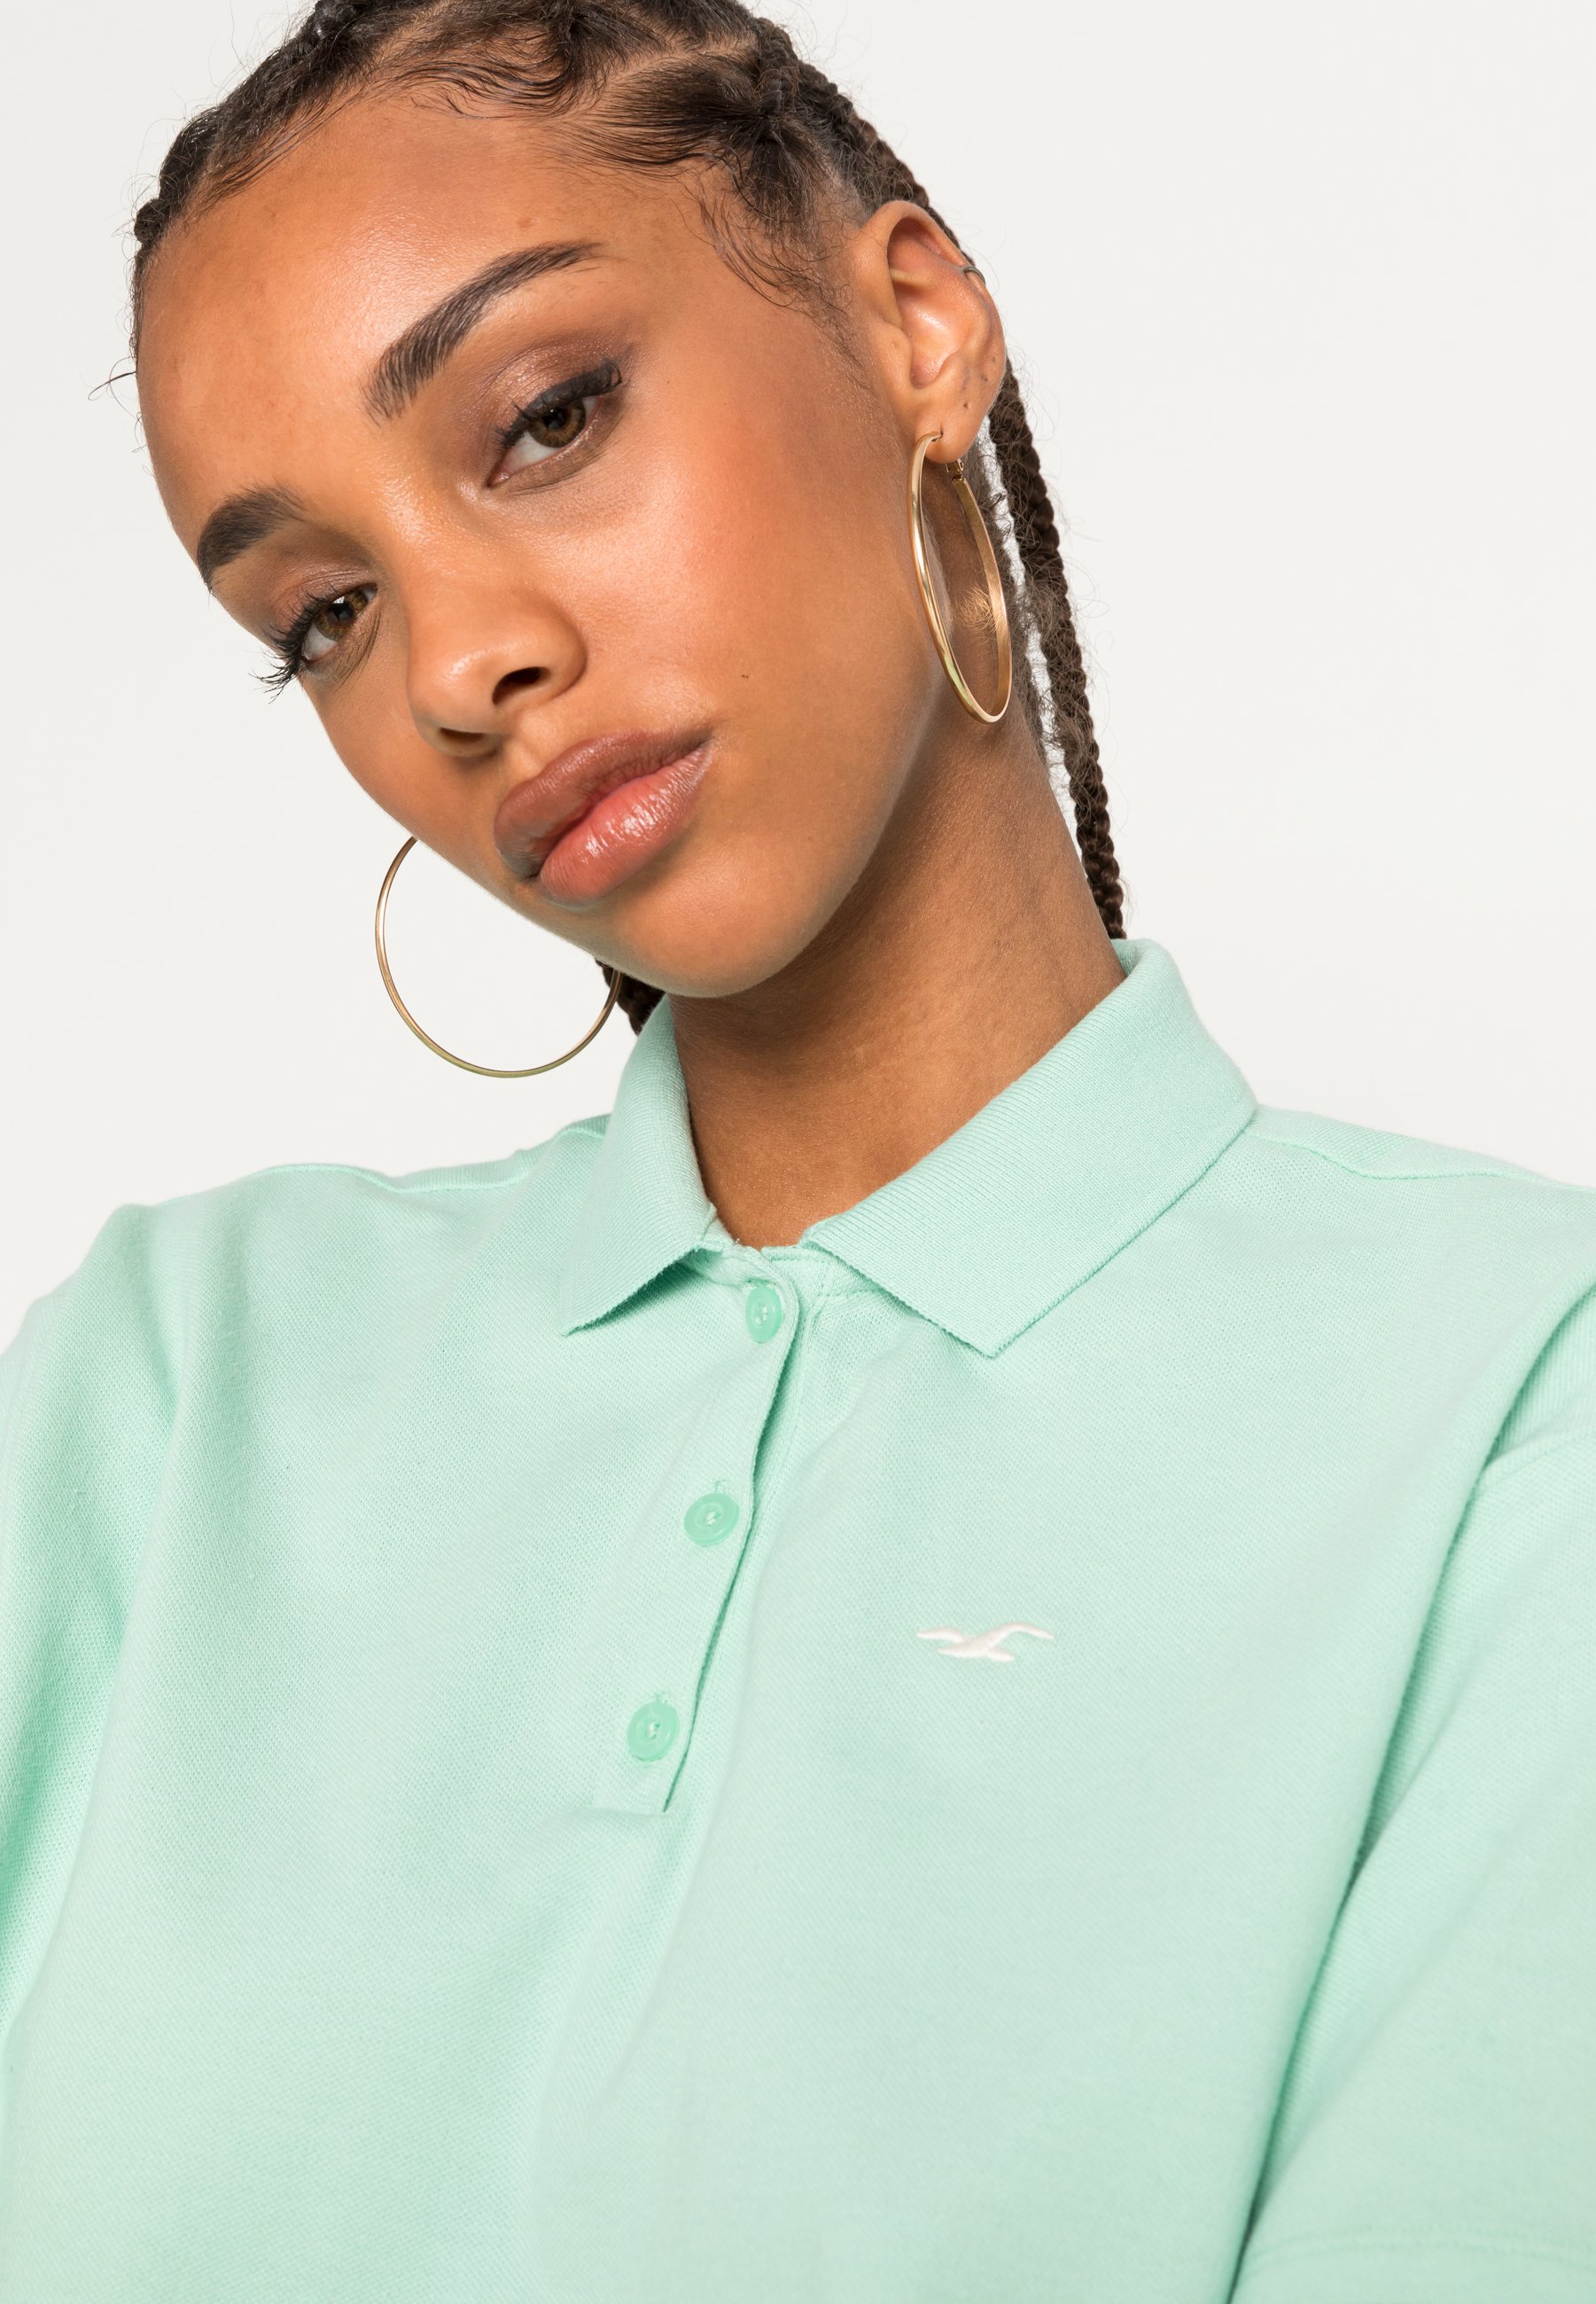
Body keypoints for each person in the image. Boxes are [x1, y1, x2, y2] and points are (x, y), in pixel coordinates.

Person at [1, 1, 1592, 2296]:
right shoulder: (168, 1393)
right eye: (324, 615)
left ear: (913, 325)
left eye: (546, 419)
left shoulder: (1518, 1408)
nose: (454, 667)